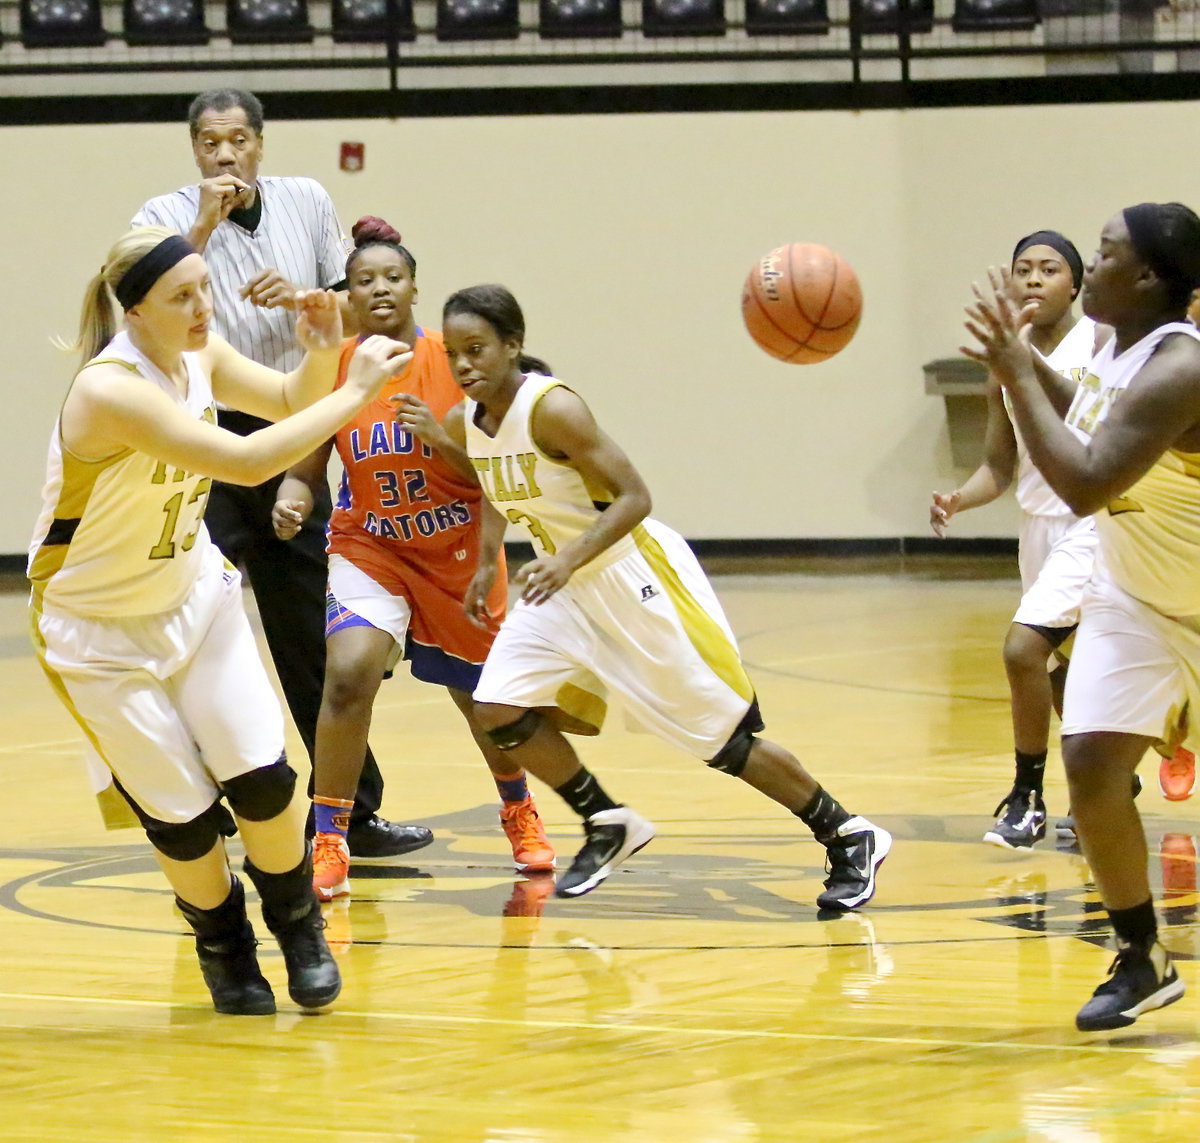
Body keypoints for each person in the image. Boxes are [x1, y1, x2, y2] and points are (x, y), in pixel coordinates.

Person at [28, 228, 412, 1013]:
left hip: (193, 597)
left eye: (206, 288)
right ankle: (224, 941)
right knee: (185, 821)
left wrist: (317, 353)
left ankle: (297, 922)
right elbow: (245, 462)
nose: (205, 306)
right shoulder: (110, 390)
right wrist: (355, 390)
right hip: (98, 630)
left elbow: (281, 403)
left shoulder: (198, 352)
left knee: (266, 782)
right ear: (134, 311)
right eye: (182, 296)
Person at [440, 284, 891, 909]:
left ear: (512, 345)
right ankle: (607, 821)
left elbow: (636, 498)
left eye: (477, 349)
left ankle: (847, 833)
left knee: (726, 740)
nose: (464, 365)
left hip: (627, 572)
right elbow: (496, 485)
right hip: (562, 588)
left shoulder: (554, 408)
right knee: (498, 709)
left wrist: (567, 559)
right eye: (454, 354)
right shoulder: (468, 421)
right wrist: (487, 563)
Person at [131, 87, 430, 860]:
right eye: (208, 142)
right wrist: (200, 226)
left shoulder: (307, 198)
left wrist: (306, 297)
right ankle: (203, 809)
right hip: (199, 437)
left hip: (294, 426)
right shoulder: (159, 214)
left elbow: (352, 300)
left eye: (236, 140)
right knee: (195, 626)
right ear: (193, 149)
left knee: (309, 632)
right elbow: (136, 300)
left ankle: (349, 818)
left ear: (260, 143)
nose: (223, 155)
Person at [963, 201, 1200, 1031]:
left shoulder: (1180, 368)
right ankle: (1144, 955)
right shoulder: (1118, 348)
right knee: (1094, 763)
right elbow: (1087, 410)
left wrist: (1013, 370)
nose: (1090, 268)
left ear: (1147, 279)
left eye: (1103, 256)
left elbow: (1085, 481)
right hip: (1138, 591)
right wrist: (1022, 361)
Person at [271, 218, 555, 901]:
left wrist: (441, 440)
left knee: (486, 701)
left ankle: (518, 806)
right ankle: (331, 834)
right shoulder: (336, 368)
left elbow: (505, 471)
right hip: (371, 547)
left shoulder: (457, 362)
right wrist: (291, 490)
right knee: (348, 674)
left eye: (392, 277)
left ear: (414, 287)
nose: (379, 288)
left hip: (459, 551)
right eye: (364, 280)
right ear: (350, 294)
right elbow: (308, 460)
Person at [932, 231, 1107, 848]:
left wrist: (1023, 362)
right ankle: (1110, 786)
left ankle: (1027, 797)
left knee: (1021, 650)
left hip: (1094, 522)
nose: (1034, 279)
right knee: (1063, 673)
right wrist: (960, 496)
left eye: (1050, 269)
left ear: (1077, 286)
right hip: (1038, 528)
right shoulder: (1003, 360)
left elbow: (1096, 431)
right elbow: (998, 468)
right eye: (1023, 270)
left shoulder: (1103, 343)